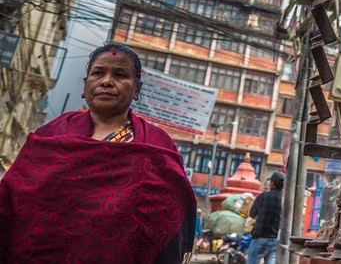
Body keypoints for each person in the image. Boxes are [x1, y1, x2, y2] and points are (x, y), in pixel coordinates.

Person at [0, 43, 196, 263]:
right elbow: (12, 198)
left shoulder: (157, 145)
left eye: (120, 75)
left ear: (137, 89)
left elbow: (170, 217)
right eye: (98, 73)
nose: (107, 81)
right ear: (85, 86)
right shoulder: (51, 135)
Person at [247, 171, 285, 264]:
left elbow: (252, 213)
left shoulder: (263, 196)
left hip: (259, 238)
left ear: (272, 183)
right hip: (275, 240)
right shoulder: (285, 199)